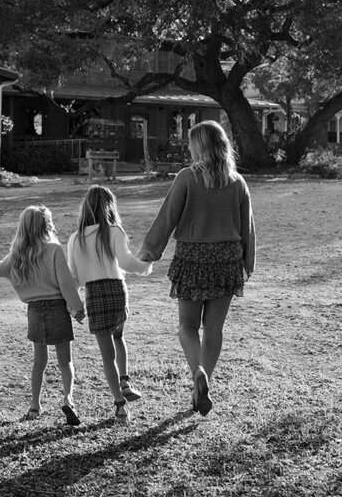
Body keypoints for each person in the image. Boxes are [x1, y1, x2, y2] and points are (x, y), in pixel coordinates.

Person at [138, 120, 255, 416]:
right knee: (214, 327)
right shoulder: (237, 182)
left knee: (187, 327)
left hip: (193, 259)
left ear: (199, 147)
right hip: (227, 260)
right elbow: (247, 227)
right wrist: (248, 261)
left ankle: (197, 372)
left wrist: (149, 252)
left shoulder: (187, 178)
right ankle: (203, 384)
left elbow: (167, 218)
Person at [0, 205, 85, 425]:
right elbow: (65, 284)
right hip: (57, 308)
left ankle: (35, 406)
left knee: (39, 361)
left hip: (34, 311)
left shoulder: (18, 254)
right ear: (47, 224)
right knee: (65, 361)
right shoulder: (53, 249)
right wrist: (77, 309)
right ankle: (68, 399)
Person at [66, 185, 152, 424]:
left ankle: (120, 405)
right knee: (119, 336)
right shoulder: (114, 231)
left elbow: (73, 277)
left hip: (94, 293)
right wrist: (146, 267)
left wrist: (74, 306)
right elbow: (126, 262)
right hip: (117, 290)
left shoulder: (75, 239)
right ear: (110, 207)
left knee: (107, 355)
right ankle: (125, 380)